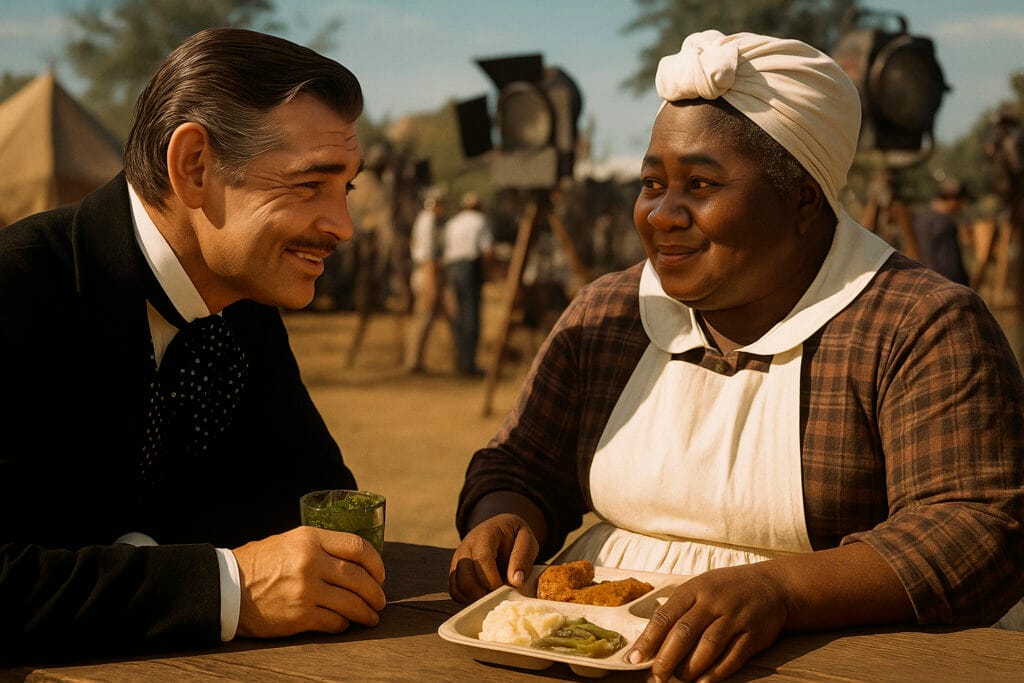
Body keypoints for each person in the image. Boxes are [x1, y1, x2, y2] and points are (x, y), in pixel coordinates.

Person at [449, 30, 1024, 683]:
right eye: (651, 183)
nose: (663, 214)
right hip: (591, 656)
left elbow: (976, 528)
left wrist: (781, 590)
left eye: (699, 183)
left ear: (804, 199)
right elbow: (520, 464)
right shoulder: (606, 316)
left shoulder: (914, 324)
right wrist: (501, 516)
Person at [0, 28, 386, 664]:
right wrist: (228, 589)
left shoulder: (244, 306)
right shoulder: (16, 291)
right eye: (310, 184)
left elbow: (315, 504)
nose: (342, 226)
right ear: (196, 167)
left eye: (346, 189)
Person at [442, 192, 493, 376]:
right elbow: (487, 251)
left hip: (452, 268)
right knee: (471, 315)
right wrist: (488, 273)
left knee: (458, 315)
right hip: (470, 269)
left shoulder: (453, 222)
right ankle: (468, 364)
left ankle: (459, 360)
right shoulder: (481, 220)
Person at [404, 188, 450, 372]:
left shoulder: (427, 220)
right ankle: (413, 361)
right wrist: (431, 282)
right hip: (427, 273)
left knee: (427, 317)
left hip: (426, 273)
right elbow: (428, 256)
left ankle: (418, 359)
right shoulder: (428, 222)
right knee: (424, 316)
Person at [910, 178, 970, 285]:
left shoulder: (923, 218)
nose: (962, 206)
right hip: (942, 283)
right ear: (952, 199)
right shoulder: (941, 222)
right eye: (961, 201)